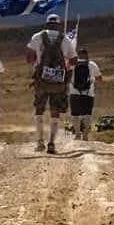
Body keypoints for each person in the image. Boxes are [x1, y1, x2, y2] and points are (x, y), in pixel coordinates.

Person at [26, 14, 77, 154]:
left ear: (47, 24)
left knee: (39, 110)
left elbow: (29, 57)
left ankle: (40, 141)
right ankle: (52, 143)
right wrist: (66, 70)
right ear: (59, 25)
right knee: (55, 112)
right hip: (58, 82)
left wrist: (37, 65)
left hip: (41, 81)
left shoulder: (37, 37)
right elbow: (73, 60)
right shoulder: (65, 39)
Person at [69, 48, 103, 141]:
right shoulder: (92, 64)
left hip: (74, 93)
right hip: (89, 93)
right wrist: (92, 81)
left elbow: (66, 77)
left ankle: (77, 135)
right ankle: (85, 135)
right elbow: (99, 78)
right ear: (87, 55)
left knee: (75, 114)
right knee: (87, 114)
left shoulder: (72, 64)